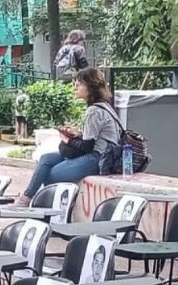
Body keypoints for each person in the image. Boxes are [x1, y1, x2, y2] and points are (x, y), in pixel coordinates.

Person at [13, 68, 119, 206]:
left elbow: (87, 146)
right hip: (99, 154)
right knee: (46, 159)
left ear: (90, 87)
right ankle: (26, 198)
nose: (75, 87)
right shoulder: (105, 106)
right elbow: (96, 136)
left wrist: (67, 139)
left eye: (79, 84)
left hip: (99, 158)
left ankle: (45, 207)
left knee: (51, 175)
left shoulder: (94, 111)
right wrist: (78, 134)